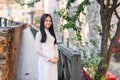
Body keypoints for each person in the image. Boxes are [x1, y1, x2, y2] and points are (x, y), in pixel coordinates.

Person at [35, 14, 59, 80]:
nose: (48, 22)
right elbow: (37, 49)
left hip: (53, 61)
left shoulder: (51, 33)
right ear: (42, 21)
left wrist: (56, 57)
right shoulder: (39, 34)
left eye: (50, 21)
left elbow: (55, 46)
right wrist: (49, 58)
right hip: (45, 61)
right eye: (46, 21)